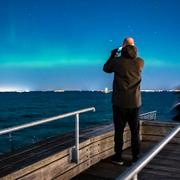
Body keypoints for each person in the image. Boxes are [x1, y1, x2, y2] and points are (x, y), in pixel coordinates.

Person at [103, 37, 144, 165]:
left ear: (123, 46)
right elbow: (133, 58)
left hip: (119, 103)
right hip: (135, 103)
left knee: (119, 132)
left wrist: (113, 54)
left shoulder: (117, 61)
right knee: (135, 132)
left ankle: (118, 157)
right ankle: (135, 158)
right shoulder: (140, 62)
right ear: (134, 46)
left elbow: (106, 68)